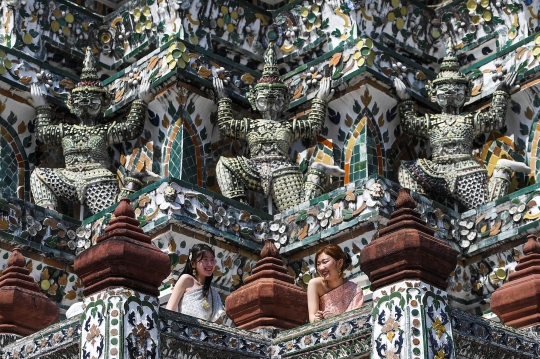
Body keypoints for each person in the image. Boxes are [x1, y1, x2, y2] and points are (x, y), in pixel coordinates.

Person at [166, 244, 224, 322]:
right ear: (193, 263)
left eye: (212, 259)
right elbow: (169, 312)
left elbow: (218, 324)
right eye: (205, 260)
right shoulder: (186, 280)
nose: (210, 264)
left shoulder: (214, 294)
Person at [307, 244, 364, 322]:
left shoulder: (355, 290)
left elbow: (358, 319)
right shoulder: (315, 285)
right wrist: (317, 319)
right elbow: (312, 317)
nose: (321, 268)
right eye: (318, 264)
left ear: (340, 263)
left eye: (325, 262)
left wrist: (335, 318)